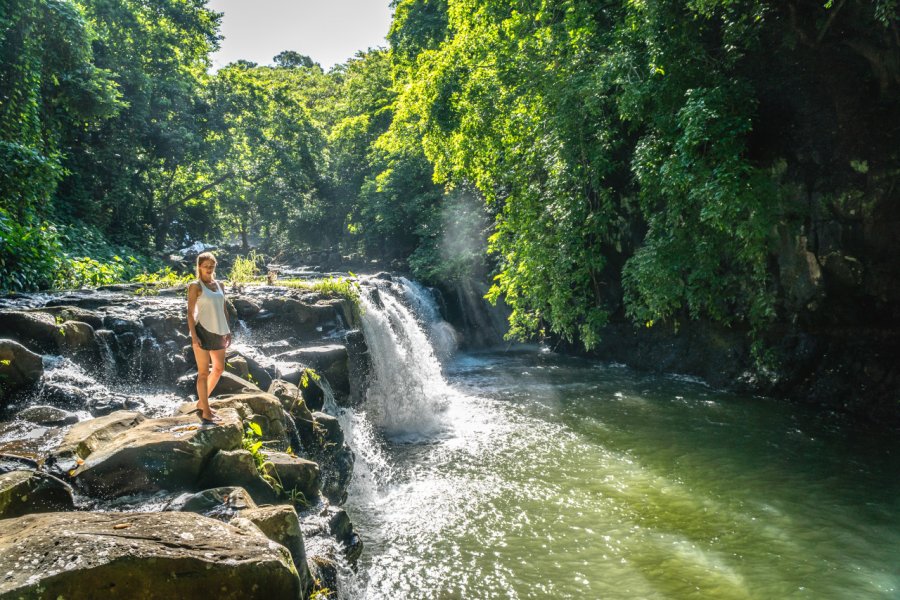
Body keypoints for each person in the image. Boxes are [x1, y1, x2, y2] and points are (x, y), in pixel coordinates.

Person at [187, 251, 231, 423]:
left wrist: (228, 330)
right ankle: (205, 410)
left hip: (220, 331)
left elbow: (224, 308)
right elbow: (190, 314)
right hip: (202, 331)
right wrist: (193, 337)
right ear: (199, 266)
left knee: (219, 369)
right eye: (206, 266)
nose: (209, 269)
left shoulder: (219, 284)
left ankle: (201, 402)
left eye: (212, 266)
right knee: (203, 373)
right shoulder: (195, 286)